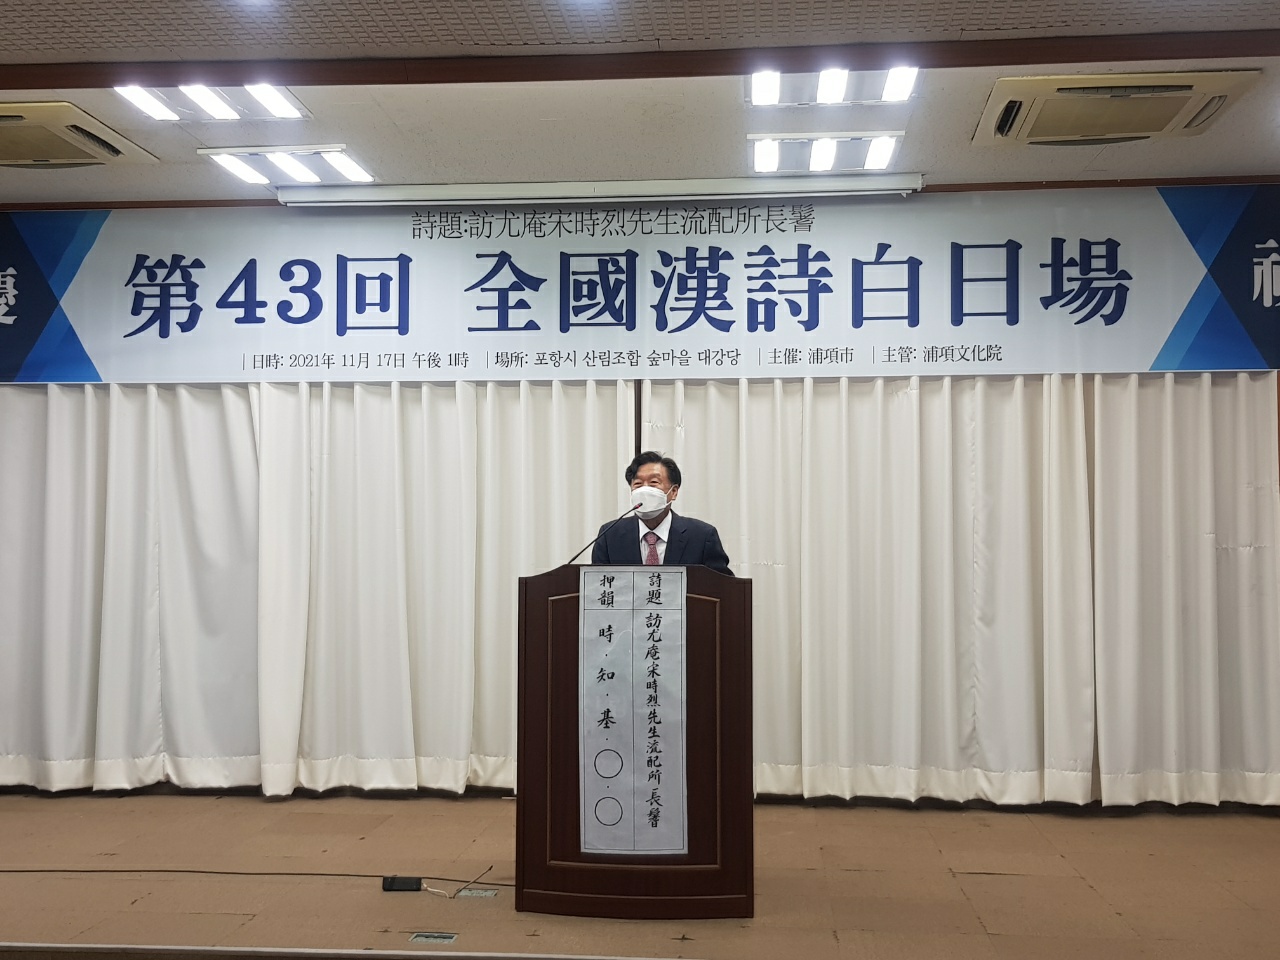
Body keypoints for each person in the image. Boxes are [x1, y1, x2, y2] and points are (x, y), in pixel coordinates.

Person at [591, 451, 732, 575]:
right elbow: (597, 586)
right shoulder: (609, 535)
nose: (645, 490)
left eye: (653, 482)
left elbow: (724, 588)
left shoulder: (702, 536)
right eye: (638, 484)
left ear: (674, 492)